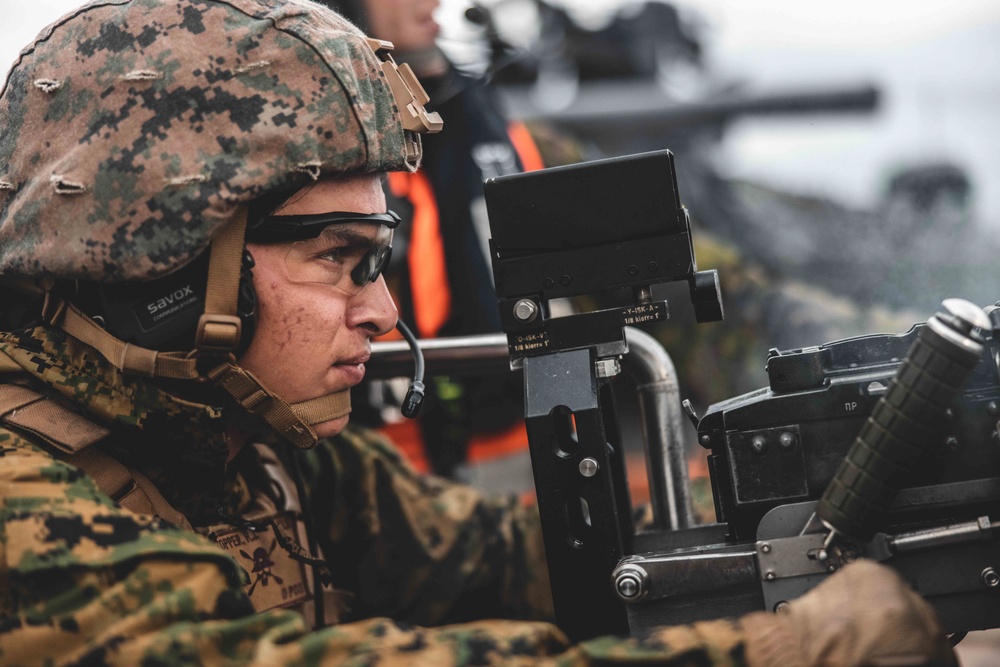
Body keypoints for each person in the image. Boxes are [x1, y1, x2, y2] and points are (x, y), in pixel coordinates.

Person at [0, 1, 956, 665]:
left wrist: (798, 508)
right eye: (338, 257)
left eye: (377, 261)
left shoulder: (236, 437)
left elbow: (493, 552)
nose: (382, 314)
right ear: (166, 266)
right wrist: (786, 650)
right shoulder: (22, 496)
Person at [320, 0, 549, 492]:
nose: (434, 2)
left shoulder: (480, 112)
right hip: (381, 468)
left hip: (526, 445)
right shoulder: (311, 132)